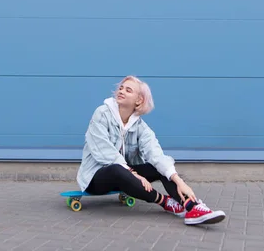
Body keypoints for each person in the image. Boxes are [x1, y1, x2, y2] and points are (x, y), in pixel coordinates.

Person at [76, 75, 226, 225]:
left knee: (159, 168)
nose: (121, 91)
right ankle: (165, 202)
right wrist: (134, 174)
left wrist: (179, 181)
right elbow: (104, 151)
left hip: (126, 178)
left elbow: (156, 154)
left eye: (128, 90)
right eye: (121, 88)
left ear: (139, 100)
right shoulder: (102, 114)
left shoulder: (140, 126)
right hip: (96, 179)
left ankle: (192, 207)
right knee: (117, 169)